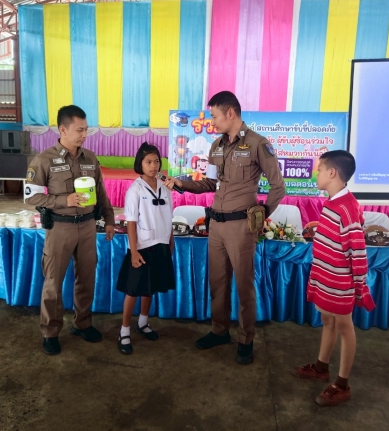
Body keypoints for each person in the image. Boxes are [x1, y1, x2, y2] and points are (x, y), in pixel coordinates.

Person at [164, 91, 285, 365]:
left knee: (243, 285)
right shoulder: (217, 145)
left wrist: (262, 214)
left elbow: (278, 187)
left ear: (230, 113)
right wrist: (181, 184)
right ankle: (219, 331)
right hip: (216, 225)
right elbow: (209, 183)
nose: (212, 122)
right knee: (217, 282)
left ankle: (245, 340)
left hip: (241, 226)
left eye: (215, 116)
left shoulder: (258, 144)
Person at [25, 105, 115, 356]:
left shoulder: (90, 159)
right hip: (60, 228)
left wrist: (109, 219)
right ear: (62, 130)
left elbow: (101, 192)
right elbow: (31, 196)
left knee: (86, 278)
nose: (84, 135)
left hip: (87, 227)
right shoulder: (44, 160)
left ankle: (82, 323)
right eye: (79, 130)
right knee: (53, 283)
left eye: (86, 130)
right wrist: (64, 200)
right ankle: (50, 332)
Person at [292, 150, 375, 407]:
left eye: (319, 170)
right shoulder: (332, 203)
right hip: (325, 276)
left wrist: (359, 286)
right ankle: (321, 367)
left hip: (340, 282)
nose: (315, 174)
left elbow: (357, 253)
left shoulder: (347, 208)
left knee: (344, 327)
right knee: (327, 320)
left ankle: (342, 384)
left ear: (332, 172)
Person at [115, 143, 175, 355]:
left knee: (150, 287)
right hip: (142, 247)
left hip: (161, 244)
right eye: (148, 162)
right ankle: (124, 331)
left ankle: (143, 322)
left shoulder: (165, 188)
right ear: (140, 164)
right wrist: (133, 251)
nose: (153, 165)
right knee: (134, 290)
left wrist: (170, 241)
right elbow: (131, 222)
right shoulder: (135, 190)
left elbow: (169, 217)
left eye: (156, 161)